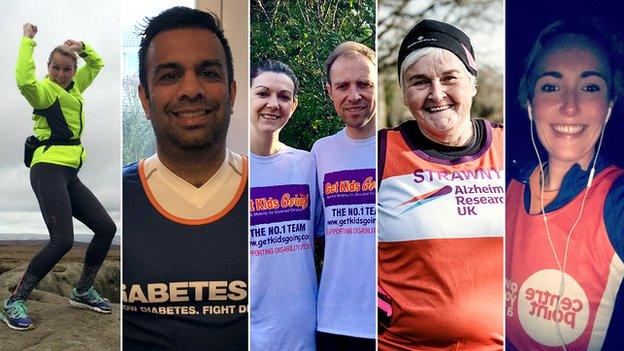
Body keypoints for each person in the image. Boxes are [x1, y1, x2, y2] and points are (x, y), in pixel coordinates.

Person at [121, 6, 247, 350]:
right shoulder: (116, 204)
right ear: (145, 99)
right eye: (169, 76)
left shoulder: (270, 192)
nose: (191, 89)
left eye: (208, 73)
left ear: (232, 93)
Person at [377, 19, 504, 350]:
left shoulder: (515, 150)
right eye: (419, 82)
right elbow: (338, 235)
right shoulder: (378, 152)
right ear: (404, 94)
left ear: (473, 83)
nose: (437, 94)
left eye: (450, 78)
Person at [506, 18, 624, 350]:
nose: (570, 107)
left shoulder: (616, 203)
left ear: (609, 106)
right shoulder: (503, 189)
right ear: (530, 104)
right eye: (550, 86)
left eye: (589, 87)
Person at [1, 23, 116, 331]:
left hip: (70, 173)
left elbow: (98, 64)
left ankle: (82, 291)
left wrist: (82, 46)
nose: (61, 74)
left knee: (106, 228)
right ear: (48, 68)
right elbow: (23, 80)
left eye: (67, 69)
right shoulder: (44, 92)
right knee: (62, 239)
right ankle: (15, 301)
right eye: (56, 68)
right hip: (47, 168)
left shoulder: (75, 89)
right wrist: (27, 41)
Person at [249, 60, 318, 350]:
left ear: (294, 105)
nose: (273, 104)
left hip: (300, 330)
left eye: (284, 97)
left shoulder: (308, 164)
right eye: (263, 93)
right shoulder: (230, 168)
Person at [311, 41, 376, 350]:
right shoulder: (320, 152)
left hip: (393, 325)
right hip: (334, 322)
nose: (354, 95)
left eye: (364, 84)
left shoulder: (399, 145)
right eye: (343, 86)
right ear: (329, 91)